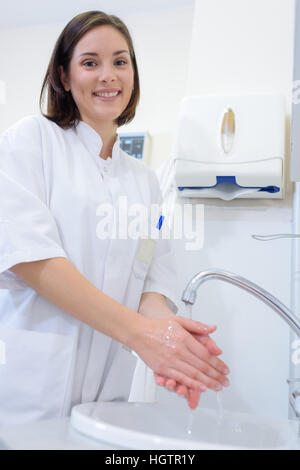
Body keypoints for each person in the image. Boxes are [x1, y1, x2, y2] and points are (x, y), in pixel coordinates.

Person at [0, 10, 229, 424]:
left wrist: (172, 341)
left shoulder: (146, 184)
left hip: (106, 402)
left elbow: (152, 285)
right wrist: (139, 335)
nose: (109, 75)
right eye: (91, 62)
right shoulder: (30, 142)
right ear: (64, 77)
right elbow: (31, 258)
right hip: (28, 394)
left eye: (120, 62)